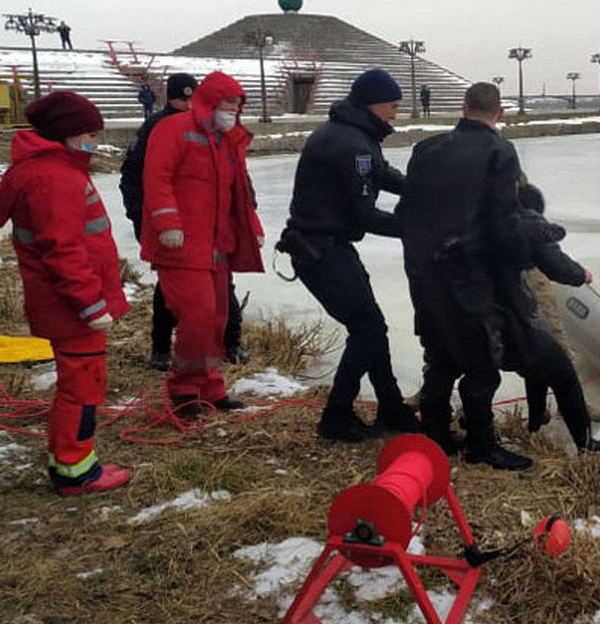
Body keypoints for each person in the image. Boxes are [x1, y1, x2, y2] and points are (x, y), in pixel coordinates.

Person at [0, 91, 131, 496]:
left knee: (79, 384)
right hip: (70, 307)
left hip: (64, 303)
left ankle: (68, 460)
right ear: (68, 133)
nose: (95, 143)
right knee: (83, 387)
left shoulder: (49, 170)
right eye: (91, 135)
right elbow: (63, 250)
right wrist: (91, 304)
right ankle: (76, 472)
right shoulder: (53, 178)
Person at [398, 82, 534, 470]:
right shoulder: (499, 151)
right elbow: (503, 219)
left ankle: (435, 433)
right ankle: (481, 443)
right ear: (499, 113)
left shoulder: (425, 149)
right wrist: (522, 260)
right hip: (468, 272)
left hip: (423, 269)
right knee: (480, 361)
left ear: (464, 107)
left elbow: (407, 211)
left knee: (439, 352)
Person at [281, 68, 419, 441]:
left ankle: (391, 408)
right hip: (321, 251)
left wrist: (422, 189)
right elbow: (365, 216)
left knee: (371, 327)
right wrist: (416, 226)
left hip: (326, 247)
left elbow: (382, 173)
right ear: (374, 104)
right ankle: (337, 417)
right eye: (393, 106)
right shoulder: (352, 144)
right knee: (368, 329)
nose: (395, 114)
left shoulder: (352, 133)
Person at [141, 71, 265, 417]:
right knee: (197, 317)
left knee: (216, 320)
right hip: (181, 246)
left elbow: (239, 192)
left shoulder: (228, 140)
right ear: (210, 101)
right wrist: (167, 222)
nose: (235, 109)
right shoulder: (173, 129)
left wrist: (252, 226)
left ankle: (210, 386)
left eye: (238, 104)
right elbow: (157, 177)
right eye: (229, 102)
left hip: (217, 245)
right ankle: (183, 389)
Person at [118, 73, 249, 371]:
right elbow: (144, 177)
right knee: (181, 299)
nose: (188, 104)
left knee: (217, 300)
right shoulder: (162, 127)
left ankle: (227, 349)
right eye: (182, 99)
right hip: (171, 230)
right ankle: (164, 351)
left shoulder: (222, 133)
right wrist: (154, 221)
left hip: (211, 235)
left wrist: (248, 221)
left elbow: (238, 184)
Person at [506, 183, 600, 454]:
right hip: (508, 312)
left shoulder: (482, 217)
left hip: (473, 312)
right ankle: (585, 445)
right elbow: (554, 263)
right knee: (563, 373)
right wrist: (581, 274)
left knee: (536, 364)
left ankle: (535, 421)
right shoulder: (524, 223)